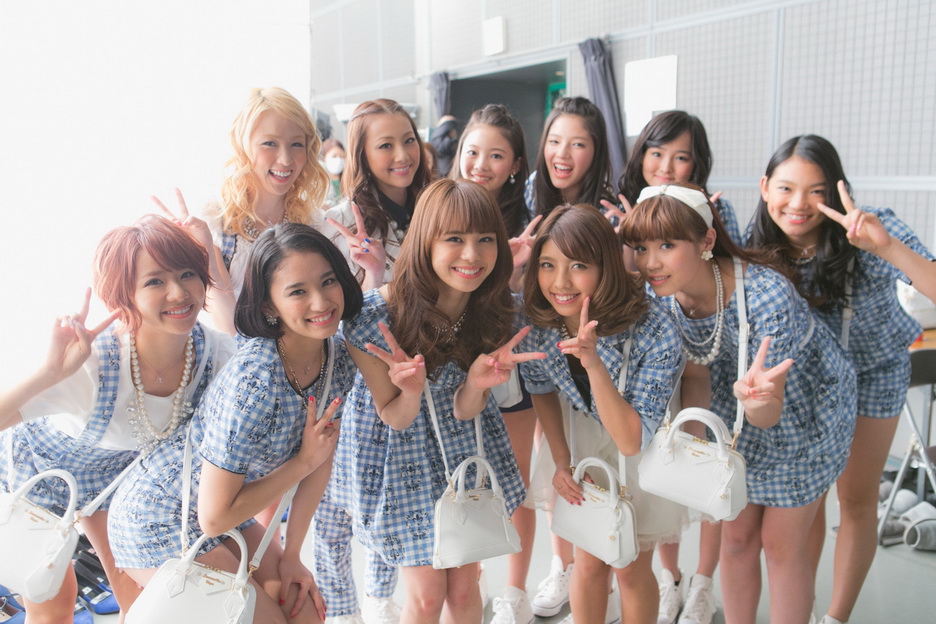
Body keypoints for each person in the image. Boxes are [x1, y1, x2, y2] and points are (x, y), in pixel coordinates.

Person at [620, 184, 857, 624]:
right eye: (641, 247)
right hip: (733, 410)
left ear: (706, 241)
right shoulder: (660, 296)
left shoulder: (767, 296)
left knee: (781, 545)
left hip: (806, 412)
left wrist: (755, 399)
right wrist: (694, 451)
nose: (650, 262)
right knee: (736, 539)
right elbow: (696, 373)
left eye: (667, 245)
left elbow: (769, 415)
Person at [107, 224, 360, 624]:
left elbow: (320, 460)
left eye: (328, 281)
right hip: (158, 516)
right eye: (298, 291)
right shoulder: (255, 380)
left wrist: (292, 555)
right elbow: (213, 518)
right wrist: (301, 462)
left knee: (305, 611)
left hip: (226, 510)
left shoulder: (338, 359)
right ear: (270, 307)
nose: (321, 301)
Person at [0, 215, 236, 623]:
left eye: (187, 274)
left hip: (118, 481)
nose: (178, 292)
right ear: (124, 294)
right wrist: (49, 373)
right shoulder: (91, 365)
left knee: (141, 600)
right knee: (52, 604)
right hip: (40, 472)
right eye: (155, 281)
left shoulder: (215, 355)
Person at [745, 135, 936, 624]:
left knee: (856, 499)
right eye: (786, 188)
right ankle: (803, 611)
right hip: (807, 383)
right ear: (765, 188)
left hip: (874, 373)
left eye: (816, 191)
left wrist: (886, 247)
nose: (799, 204)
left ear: (836, 191)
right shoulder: (758, 243)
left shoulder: (870, 226)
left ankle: (836, 617)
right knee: (807, 501)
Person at [338, 178, 541, 623]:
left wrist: (476, 385)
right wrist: (411, 391)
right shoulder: (373, 319)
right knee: (428, 596)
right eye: (454, 239)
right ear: (425, 241)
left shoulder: (492, 310)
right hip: (400, 459)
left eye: (485, 239)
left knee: (465, 590)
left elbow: (467, 411)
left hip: (463, 452)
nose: (472, 255)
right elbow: (394, 418)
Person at [519, 204, 686, 624]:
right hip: (584, 441)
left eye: (578, 266)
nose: (560, 282)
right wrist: (561, 459)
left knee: (629, 567)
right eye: (547, 264)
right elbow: (540, 388)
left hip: (639, 447)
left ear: (605, 267)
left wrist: (593, 364)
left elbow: (632, 439)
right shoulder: (538, 320)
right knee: (588, 561)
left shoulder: (654, 327)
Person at [612, 110, 740, 624]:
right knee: (666, 473)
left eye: (680, 156)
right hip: (662, 369)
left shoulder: (714, 213)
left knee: (707, 469)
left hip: (715, 361)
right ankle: (671, 579)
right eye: (657, 152)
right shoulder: (626, 212)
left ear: (697, 164)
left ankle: (703, 582)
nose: (666, 165)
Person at [449, 103, 538, 623]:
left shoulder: (526, 225)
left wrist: (516, 268)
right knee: (465, 484)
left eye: (496, 155)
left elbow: (529, 304)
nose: (481, 164)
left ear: (515, 165)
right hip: (452, 371)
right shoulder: (442, 209)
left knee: (515, 486)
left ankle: (515, 591)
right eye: (473, 151)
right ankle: (472, 582)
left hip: (510, 368)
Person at [189, 86, 330, 335]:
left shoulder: (314, 223)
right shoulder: (214, 223)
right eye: (269, 143)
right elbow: (230, 330)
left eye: (296, 144)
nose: (285, 159)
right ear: (243, 146)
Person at [321, 98, 432, 291]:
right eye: (385, 145)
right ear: (361, 154)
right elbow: (338, 307)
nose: (402, 156)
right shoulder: (342, 223)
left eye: (409, 140)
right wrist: (373, 275)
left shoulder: (437, 206)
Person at [528, 97, 614, 221]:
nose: (562, 154)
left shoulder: (607, 216)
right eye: (554, 141)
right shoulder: (532, 189)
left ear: (597, 152)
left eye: (577, 144)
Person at [321, 138, 348, 209]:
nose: (339, 159)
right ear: (324, 157)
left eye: (342, 156)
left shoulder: (349, 179)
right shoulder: (317, 180)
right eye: (334, 156)